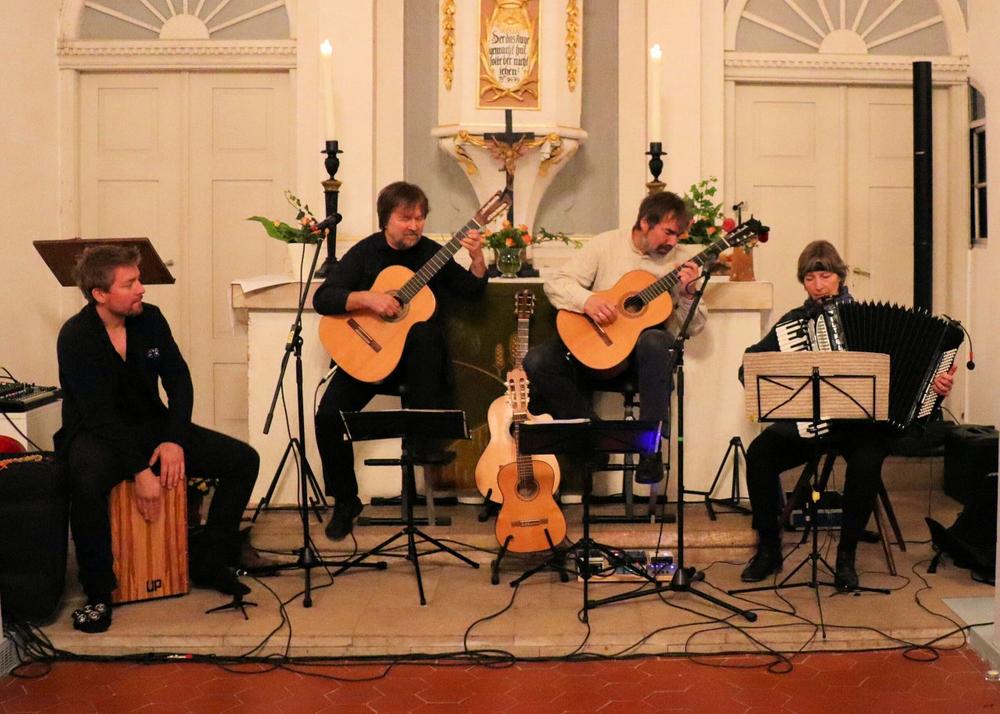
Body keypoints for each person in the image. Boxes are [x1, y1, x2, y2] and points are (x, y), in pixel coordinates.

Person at [56, 245, 259, 633]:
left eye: (139, 280)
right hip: (96, 434)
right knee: (85, 483)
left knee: (243, 461)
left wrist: (174, 440)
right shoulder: (76, 336)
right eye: (130, 283)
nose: (141, 289)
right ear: (100, 294)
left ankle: (210, 559)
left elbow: (179, 380)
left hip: (150, 425)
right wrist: (140, 471)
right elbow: (98, 414)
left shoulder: (150, 319)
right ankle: (98, 591)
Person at [739, 240, 956, 590]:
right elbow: (750, 365)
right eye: (810, 278)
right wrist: (766, 370)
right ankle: (768, 549)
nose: (818, 285)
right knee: (760, 453)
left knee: (866, 462)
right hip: (812, 424)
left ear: (840, 277)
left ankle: (846, 556)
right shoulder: (793, 325)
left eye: (825, 276)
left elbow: (919, 382)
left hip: (862, 427)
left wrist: (938, 387)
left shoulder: (867, 318)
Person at [313, 181, 488, 540]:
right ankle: (345, 501)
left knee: (424, 333)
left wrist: (477, 260)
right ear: (386, 220)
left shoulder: (433, 254)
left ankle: (426, 442)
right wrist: (368, 299)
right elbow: (324, 298)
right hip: (370, 357)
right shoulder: (365, 252)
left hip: (417, 369)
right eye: (405, 218)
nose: (414, 225)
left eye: (419, 218)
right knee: (328, 416)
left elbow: (471, 291)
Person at [523, 190, 705, 484]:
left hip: (642, 364)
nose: (673, 242)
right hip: (594, 352)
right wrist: (588, 301)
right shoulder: (606, 244)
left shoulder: (682, 263)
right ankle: (592, 440)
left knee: (656, 341)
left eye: (678, 235)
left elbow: (693, 328)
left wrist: (687, 295)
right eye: (668, 232)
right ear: (645, 222)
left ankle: (650, 450)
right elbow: (556, 283)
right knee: (537, 361)